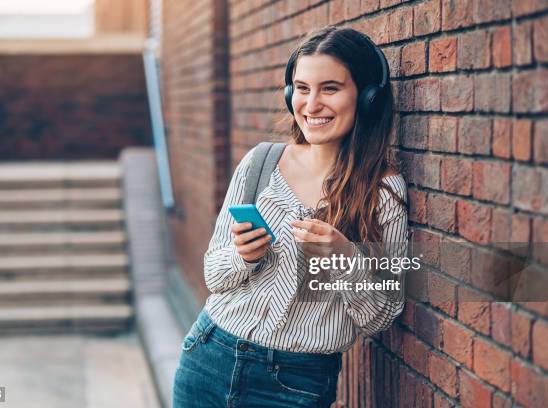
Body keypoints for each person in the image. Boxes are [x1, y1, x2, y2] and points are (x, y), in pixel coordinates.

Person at [173, 26, 408, 408]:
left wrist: (345, 258)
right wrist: (243, 256)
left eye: (329, 88)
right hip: (208, 357)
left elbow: (382, 315)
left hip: (296, 382)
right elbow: (214, 275)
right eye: (301, 88)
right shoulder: (259, 163)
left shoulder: (384, 192)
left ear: (366, 98)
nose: (311, 105)